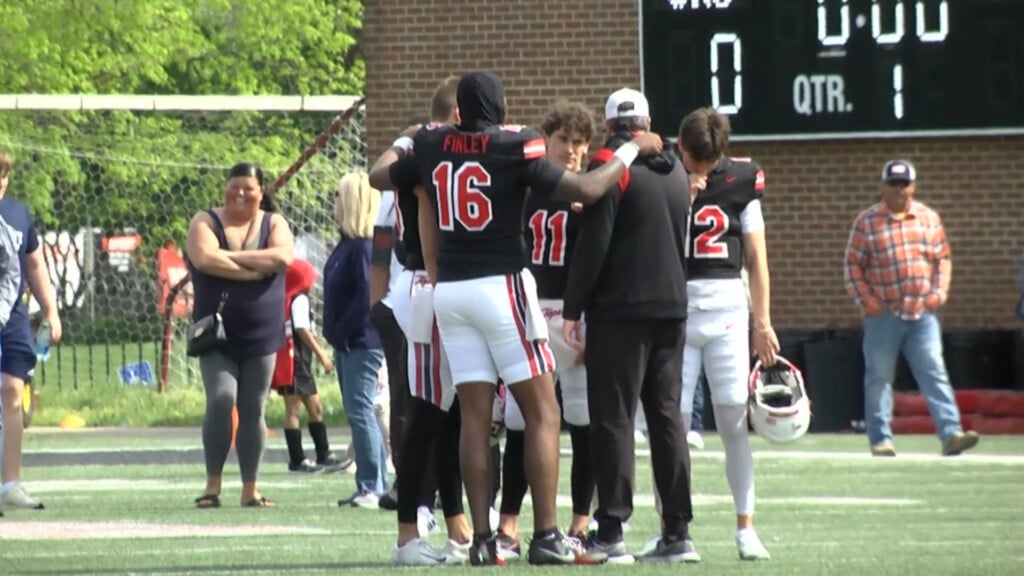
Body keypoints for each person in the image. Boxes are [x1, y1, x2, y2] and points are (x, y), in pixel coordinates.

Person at [368, 71, 663, 566]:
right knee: (544, 412)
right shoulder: (516, 144)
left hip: (451, 292)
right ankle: (546, 534)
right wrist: (631, 149)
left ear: (459, 112)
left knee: (475, 420)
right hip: (501, 285)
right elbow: (590, 188)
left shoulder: (431, 144)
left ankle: (482, 540)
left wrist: (408, 137)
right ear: (502, 111)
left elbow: (379, 174)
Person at [562, 88, 699, 564]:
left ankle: (612, 527)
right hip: (672, 306)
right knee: (666, 419)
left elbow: (595, 245)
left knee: (614, 420)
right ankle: (678, 531)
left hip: (621, 310)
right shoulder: (678, 168)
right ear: (646, 121)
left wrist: (573, 307)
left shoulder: (609, 165)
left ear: (610, 126)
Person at [671, 107, 776, 561]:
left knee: (734, 422)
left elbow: (757, 258)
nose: (700, 171)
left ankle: (745, 527)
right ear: (679, 147)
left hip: (729, 311)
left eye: (707, 164)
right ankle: (674, 530)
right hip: (675, 309)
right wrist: (683, 197)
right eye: (694, 161)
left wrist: (763, 322)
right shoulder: (663, 174)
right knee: (672, 426)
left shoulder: (743, 179)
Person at [381, 75, 476, 566]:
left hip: (461, 289)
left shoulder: (469, 150)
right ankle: (408, 532)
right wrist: (410, 139)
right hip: (427, 285)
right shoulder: (426, 147)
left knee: (457, 415)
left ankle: (459, 523)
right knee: (425, 412)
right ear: (459, 115)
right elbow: (380, 174)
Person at [496, 100, 596, 559]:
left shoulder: (591, 192)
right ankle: (509, 524)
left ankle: (578, 522)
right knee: (521, 423)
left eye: (579, 144)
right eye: (564, 141)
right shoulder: (525, 186)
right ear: (547, 139)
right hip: (529, 310)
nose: (572, 151)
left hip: (572, 315)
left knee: (582, 422)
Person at [844, 159, 980, 457]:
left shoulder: (928, 218)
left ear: (914, 186)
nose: (899, 190)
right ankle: (881, 440)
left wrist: (939, 292)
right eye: (893, 184)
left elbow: (943, 258)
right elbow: (853, 263)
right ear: (883, 186)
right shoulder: (867, 222)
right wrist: (864, 298)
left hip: (922, 314)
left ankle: (951, 434)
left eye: (904, 184)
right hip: (883, 315)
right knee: (879, 377)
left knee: (934, 371)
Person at [186, 162, 294, 508]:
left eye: (249, 187)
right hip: (216, 333)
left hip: (262, 333)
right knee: (221, 398)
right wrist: (249, 272)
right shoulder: (205, 221)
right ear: (225, 187)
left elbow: (282, 256)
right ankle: (212, 485)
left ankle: (251, 487)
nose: (241, 193)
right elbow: (204, 258)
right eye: (235, 186)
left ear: (262, 192)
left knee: (253, 407)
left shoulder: (274, 222)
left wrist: (231, 257)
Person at [0, 148, 61, 511]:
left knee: (11, 390)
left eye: (3, 176)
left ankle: (10, 482)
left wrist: (51, 311)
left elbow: (35, 265)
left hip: (13, 315)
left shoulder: (19, 214)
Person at [323, 171, 389, 507]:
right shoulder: (346, 245)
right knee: (359, 410)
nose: (333, 201)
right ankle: (375, 482)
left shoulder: (363, 248)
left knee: (361, 410)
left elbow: (366, 298)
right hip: (348, 341)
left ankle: (372, 484)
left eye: (338, 195)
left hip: (362, 341)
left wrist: (340, 331)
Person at [273, 257, 343, 474]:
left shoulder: (290, 299)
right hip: (296, 362)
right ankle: (298, 460)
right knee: (294, 410)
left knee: (315, 408)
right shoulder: (299, 299)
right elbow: (302, 329)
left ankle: (324, 454)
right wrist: (322, 354)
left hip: (298, 362)